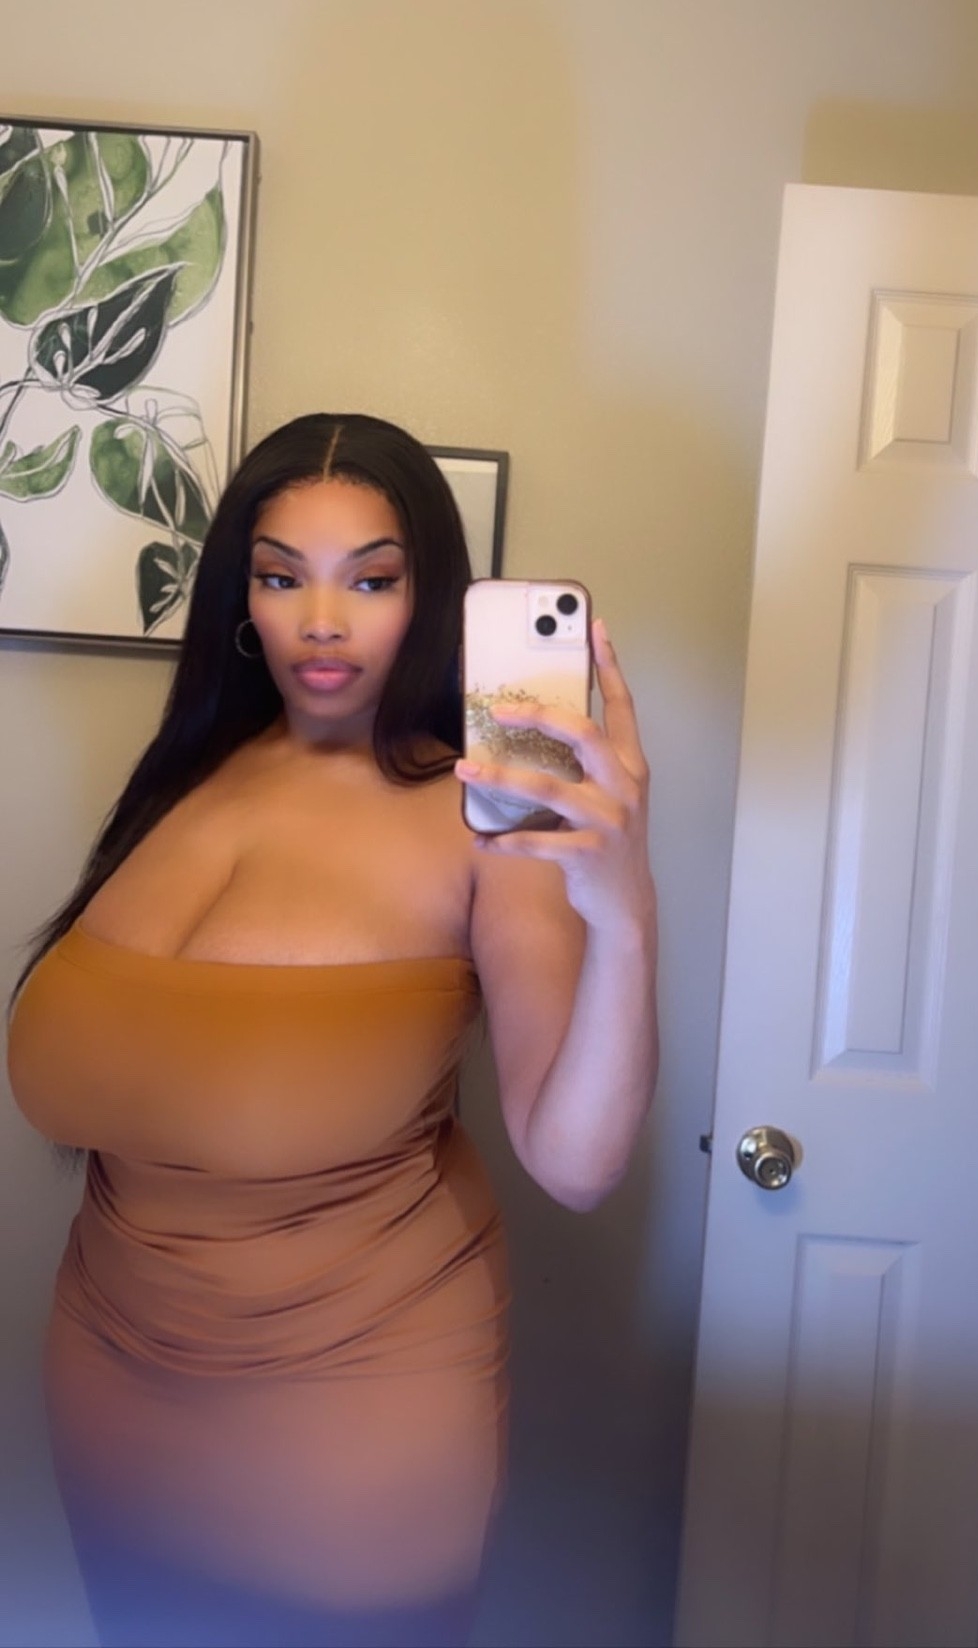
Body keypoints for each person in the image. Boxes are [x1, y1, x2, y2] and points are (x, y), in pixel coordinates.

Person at [6, 412, 658, 1648]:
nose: (319, 621)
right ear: (237, 599)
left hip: (359, 1403)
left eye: (370, 580)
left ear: (430, 597)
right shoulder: (186, 774)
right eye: (280, 576)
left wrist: (624, 911)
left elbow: (576, 1163)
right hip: (109, 1376)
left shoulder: (486, 812)